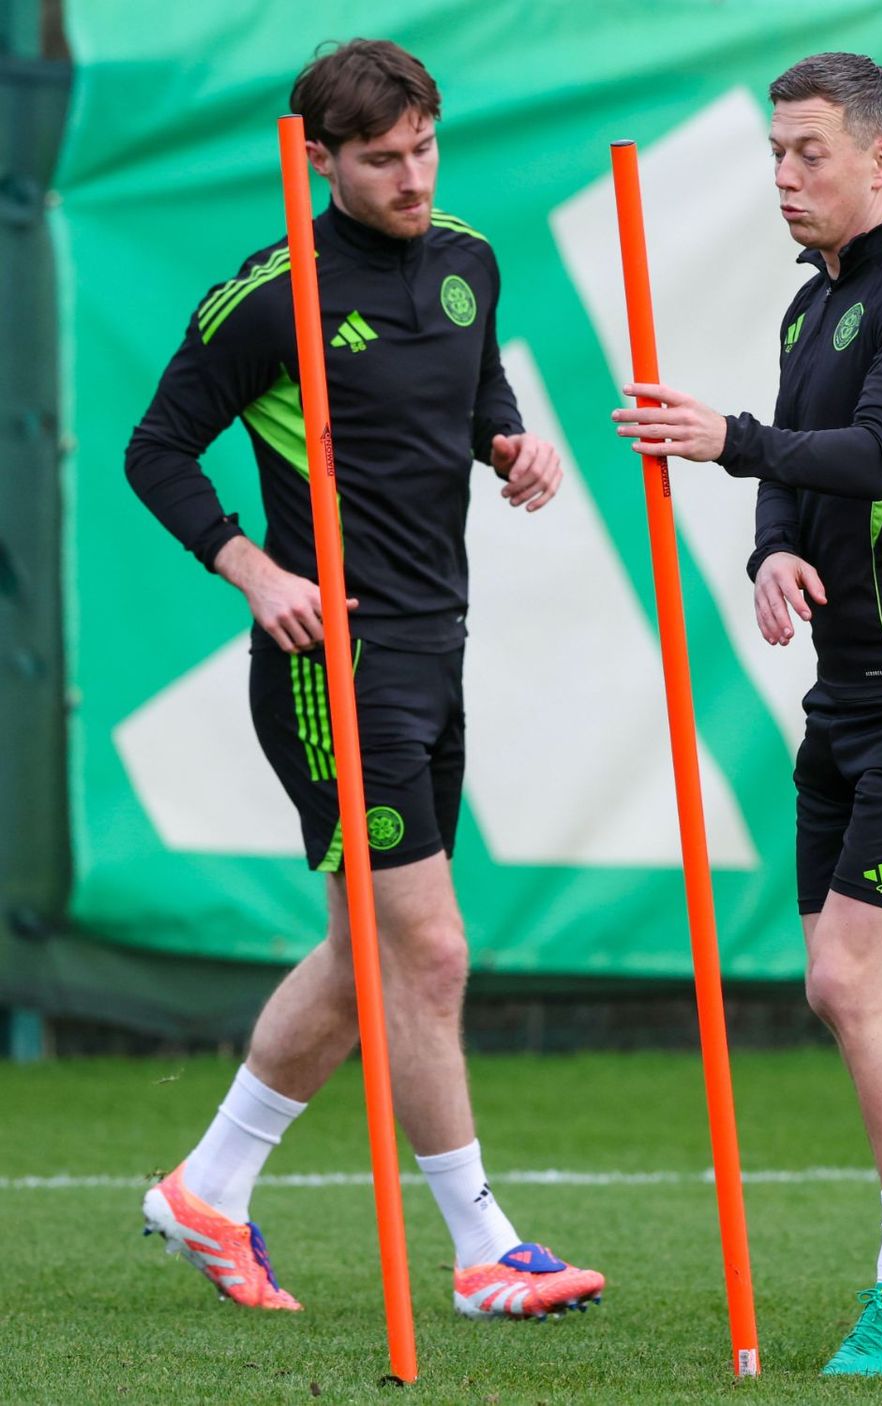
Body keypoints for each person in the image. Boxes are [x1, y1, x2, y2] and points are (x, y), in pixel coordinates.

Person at [124, 38, 604, 1321]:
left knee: (362, 956)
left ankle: (207, 1188)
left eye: (423, 149)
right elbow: (155, 448)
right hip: (329, 663)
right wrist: (250, 569)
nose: (410, 176)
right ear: (320, 159)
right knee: (429, 951)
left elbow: (470, 388)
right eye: (381, 159)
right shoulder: (271, 294)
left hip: (436, 647)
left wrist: (508, 442)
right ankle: (484, 1244)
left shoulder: (467, 260)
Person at [612, 51, 882, 1378]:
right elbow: (805, 475)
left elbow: (876, 455)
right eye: (775, 155)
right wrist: (769, 551)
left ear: (879, 156)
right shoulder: (816, 310)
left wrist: (727, 439)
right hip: (848, 695)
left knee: (856, 976)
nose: (785, 178)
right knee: (843, 986)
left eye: (808, 153)